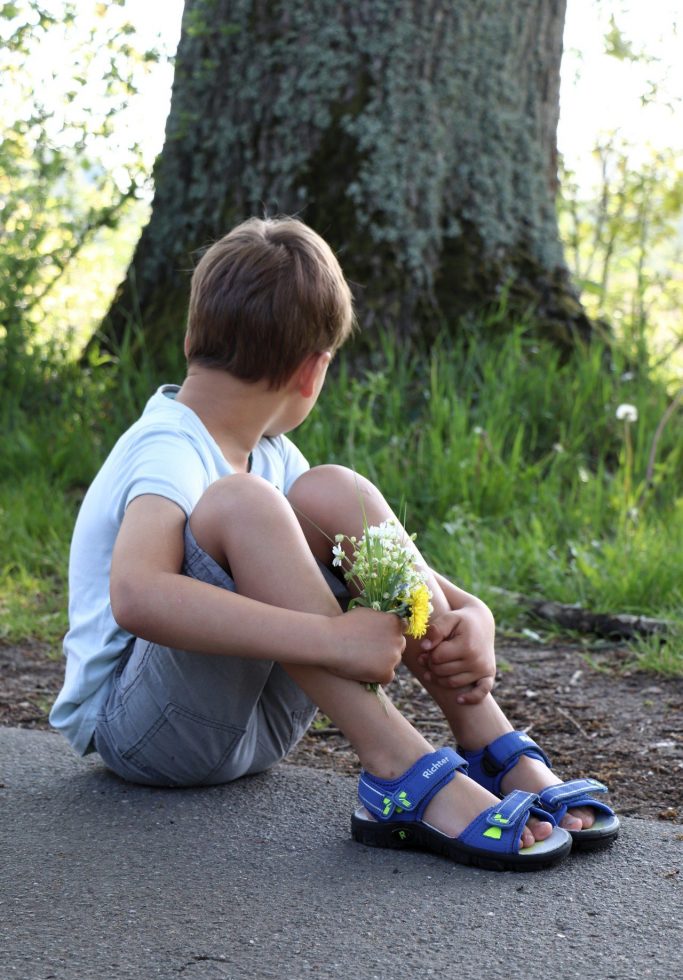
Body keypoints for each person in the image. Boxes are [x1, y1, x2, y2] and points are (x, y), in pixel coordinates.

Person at [50, 217, 618, 872]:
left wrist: (470, 613)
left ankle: (484, 736)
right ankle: (400, 768)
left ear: (189, 337)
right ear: (312, 372)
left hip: (249, 729)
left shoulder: (272, 455)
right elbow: (137, 595)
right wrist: (331, 641)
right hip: (146, 735)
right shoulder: (167, 447)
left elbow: (385, 557)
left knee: (333, 492)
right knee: (246, 505)